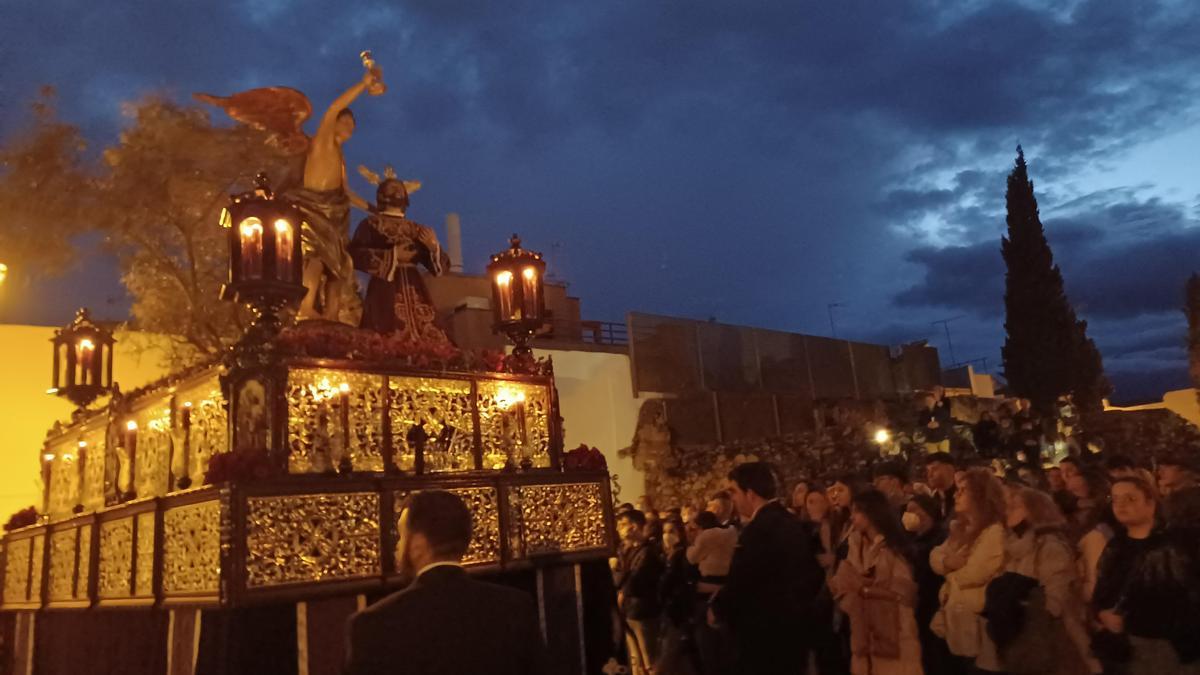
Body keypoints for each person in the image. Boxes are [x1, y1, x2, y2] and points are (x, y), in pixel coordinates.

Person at [344, 490, 546, 675]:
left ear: (418, 544)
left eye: (401, 535)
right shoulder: (514, 607)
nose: (397, 546)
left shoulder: (374, 624)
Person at [710, 462, 824, 675]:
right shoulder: (790, 522)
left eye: (734, 492)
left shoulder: (758, 531)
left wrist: (718, 608)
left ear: (750, 493)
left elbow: (742, 581)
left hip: (763, 636)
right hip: (792, 632)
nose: (732, 499)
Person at [1094, 476, 1200, 674]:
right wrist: (1102, 613)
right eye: (1115, 499)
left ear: (1150, 503)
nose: (1121, 505)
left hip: (1172, 645)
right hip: (1129, 643)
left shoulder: (1180, 542)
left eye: (1130, 498)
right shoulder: (1116, 546)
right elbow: (1102, 590)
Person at [348, 170, 452, 341]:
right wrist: (393, 256)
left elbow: (441, 268)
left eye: (400, 188)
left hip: (415, 286)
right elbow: (355, 254)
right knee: (384, 332)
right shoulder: (370, 224)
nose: (397, 191)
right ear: (381, 195)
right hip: (385, 286)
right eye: (391, 188)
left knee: (430, 335)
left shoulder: (416, 229)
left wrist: (433, 247)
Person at [1001, 487, 1094, 674]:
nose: (1008, 509)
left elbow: (1058, 599)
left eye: (1016, 505)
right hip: (1017, 628)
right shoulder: (1013, 546)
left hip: (1042, 634)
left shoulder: (1050, 545)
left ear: (1035, 510)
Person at [831, 489, 923, 675]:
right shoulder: (855, 547)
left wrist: (864, 590)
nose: (852, 517)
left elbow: (904, 594)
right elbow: (841, 582)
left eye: (857, 511)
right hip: (863, 633)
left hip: (893, 631)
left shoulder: (893, 549)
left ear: (871, 513)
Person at [930, 467, 1007, 673]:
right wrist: (949, 562)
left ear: (980, 495)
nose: (956, 495)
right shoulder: (960, 530)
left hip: (978, 628)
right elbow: (935, 557)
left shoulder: (994, 532)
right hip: (956, 625)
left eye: (963, 490)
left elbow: (974, 574)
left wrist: (949, 568)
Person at [905, 494, 961, 675]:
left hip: (933, 603)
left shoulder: (940, 537)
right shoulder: (911, 539)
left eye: (915, 510)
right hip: (917, 605)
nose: (910, 514)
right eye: (908, 510)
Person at [615, 509, 666, 675]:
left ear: (634, 526)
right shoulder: (628, 550)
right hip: (629, 611)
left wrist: (621, 582)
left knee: (648, 659)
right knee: (635, 660)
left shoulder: (647, 552)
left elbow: (634, 581)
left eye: (623, 525)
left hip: (643, 611)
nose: (618, 529)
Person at [687, 511, 736, 675]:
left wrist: (690, 545)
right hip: (726, 584)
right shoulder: (731, 533)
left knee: (707, 643)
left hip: (707, 585)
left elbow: (692, 557)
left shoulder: (706, 536)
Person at [658, 518, 698, 675]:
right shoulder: (667, 555)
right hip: (671, 612)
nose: (667, 536)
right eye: (665, 532)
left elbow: (671, 583)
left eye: (671, 532)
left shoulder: (682, 555)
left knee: (669, 659)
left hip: (678, 613)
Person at [1069, 467, 1115, 604]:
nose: (1073, 497)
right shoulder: (1074, 518)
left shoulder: (1099, 529)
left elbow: (1094, 572)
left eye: (1076, 491)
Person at [919, 389, 954, 454]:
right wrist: (927, 426)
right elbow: (920, 425)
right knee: (934, 459)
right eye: (927, 401)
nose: (929, 402)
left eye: (930, 400)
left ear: (934, 400)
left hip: (942, 438)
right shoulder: (923, 414)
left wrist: (939, 424)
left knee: (944, 458)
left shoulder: (942, 411)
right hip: (930, 440)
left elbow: (949, 423)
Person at [926, 453, 958, 520]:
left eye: (934, 469)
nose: (929, 475)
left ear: (950, 469)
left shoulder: (962, 495)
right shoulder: (932, 500)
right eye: (928, 471)